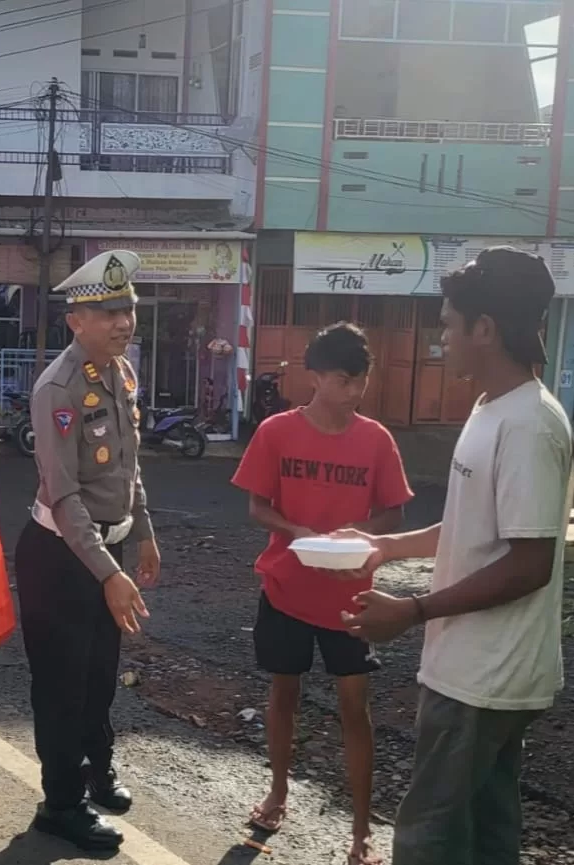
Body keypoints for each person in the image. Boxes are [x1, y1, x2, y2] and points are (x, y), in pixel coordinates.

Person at [335, 247, 572, 865]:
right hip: (475, 670)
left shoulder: (529, 425)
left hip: (485, 678)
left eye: (447, 323)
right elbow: (473, 525)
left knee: (429, 835)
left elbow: (530, 563)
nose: (441, 337)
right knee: (486, 830)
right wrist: (389, 546)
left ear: (485, 329)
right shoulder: (492, 408)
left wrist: (411, 611)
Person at [230, 322, 413, 865]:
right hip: (287, 586)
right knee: (283, 694)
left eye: (360, 382)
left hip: (351, 595)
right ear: (315, 376)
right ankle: (278, 792)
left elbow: (394, 512)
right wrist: (298, 532)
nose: (353, 392)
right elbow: (257, 506)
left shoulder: (376, 439)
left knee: (355, 709)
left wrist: (359, 537)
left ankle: (361, 832)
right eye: (342, 381)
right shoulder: (277, 432)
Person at [14, 249, 160, 852]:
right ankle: (61, 803)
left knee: (100, 676)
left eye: (127, 307)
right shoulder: (59, 388)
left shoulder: (120, 374)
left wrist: (144, 529)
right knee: (62, 686)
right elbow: (66, 495)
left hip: (111, 549)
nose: (123, 321)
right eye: (107, 310)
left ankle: (97, 770)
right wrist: (107, 573)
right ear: (76, 320)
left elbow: (127, 470)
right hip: (61, 557)